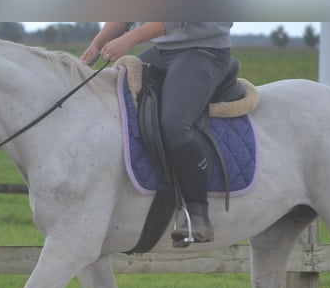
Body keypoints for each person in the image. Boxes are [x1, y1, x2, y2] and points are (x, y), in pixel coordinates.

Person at [81, 22, 234, 246]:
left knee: (174, 124)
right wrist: (95, 46)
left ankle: (198, 213)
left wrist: (127, 40)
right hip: (161, 52)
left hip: (203, 52)